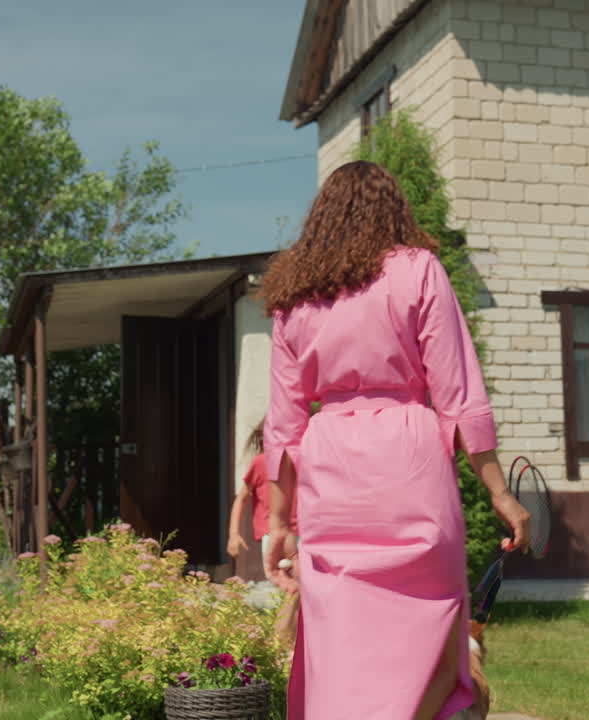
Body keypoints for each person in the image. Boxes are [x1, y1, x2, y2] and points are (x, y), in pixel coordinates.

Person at [261, 160, 531, 720]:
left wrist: (279, 524)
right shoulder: (421, 270)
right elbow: (458, 395)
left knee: (341, 639)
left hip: (330, 465)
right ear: (395, 211)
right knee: (428, 623)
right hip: (410, 459)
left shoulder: (294, 294)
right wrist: (501, 495)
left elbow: (284, 427)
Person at [226, 416, 298, 570]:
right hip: (272, 533)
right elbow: (241, 499)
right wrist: (234, 534)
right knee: (284, 583)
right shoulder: (260, 463)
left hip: (303, 533)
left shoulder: (303, 460)